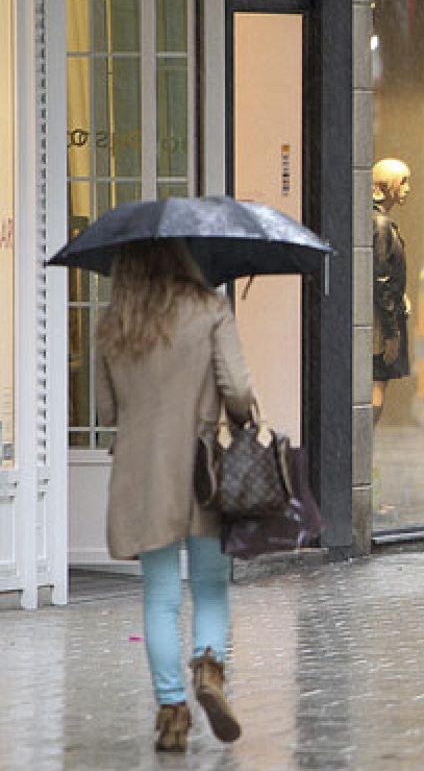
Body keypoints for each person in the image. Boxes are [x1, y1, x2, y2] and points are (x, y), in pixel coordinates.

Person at [93, 240, 255, 751]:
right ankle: (209, 669)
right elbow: (239, 391)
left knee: (160, 598)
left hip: (142, 475)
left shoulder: (114, 324)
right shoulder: (211, 309)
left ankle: (171, 715)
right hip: (203, 469)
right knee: (210, 586)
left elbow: (104, 412)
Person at [371, 157, 412, 424]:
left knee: (378, 385)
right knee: (377, 387)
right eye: (403, 182)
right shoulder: (381, 225)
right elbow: (382, 278)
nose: (408, 189)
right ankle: (364, 452)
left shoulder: (380, 222)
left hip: (384, 316)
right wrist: (391, 332)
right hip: (381, 321)